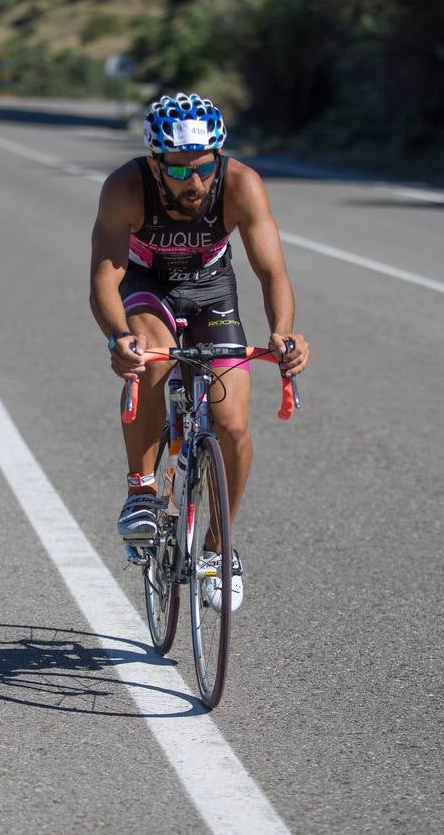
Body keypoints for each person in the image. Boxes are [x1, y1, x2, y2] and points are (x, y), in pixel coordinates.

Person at [88, 93, 309, 610]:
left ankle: (217, 549)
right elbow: (104, 278)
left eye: (204, 164)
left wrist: (283, 332)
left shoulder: (240, 185)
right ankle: (142, 490)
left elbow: (271, 270)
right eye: (179, 167)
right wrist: (118, 338)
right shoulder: (125, 187)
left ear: (218, 156)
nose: (194, 180)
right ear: (154, 161)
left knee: (231, 424)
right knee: (151, 356)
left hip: (212, 289)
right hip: (147, 285)